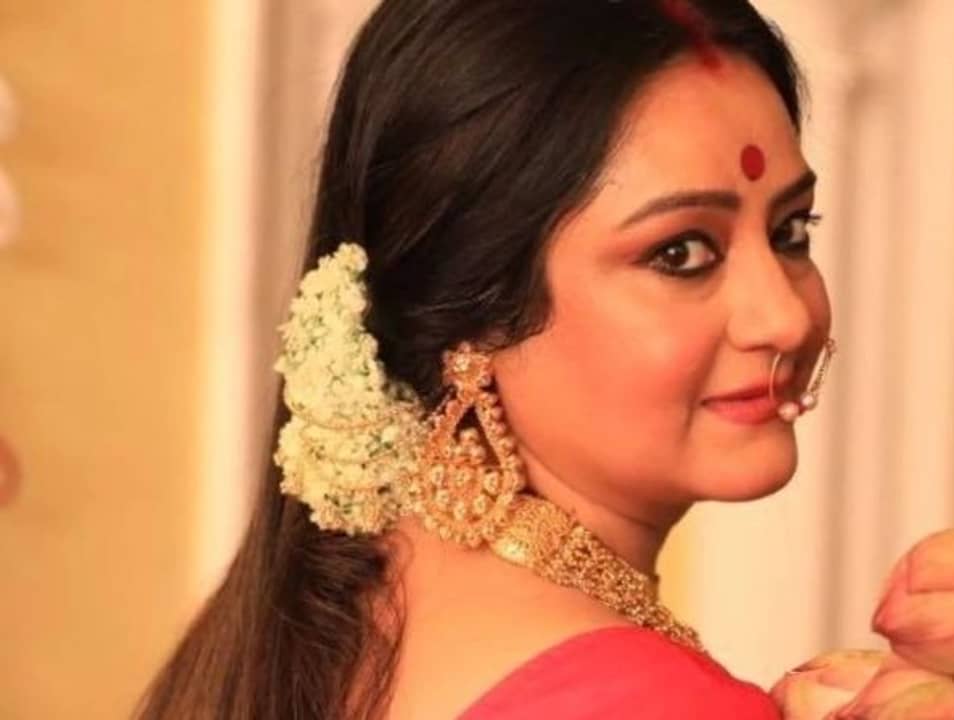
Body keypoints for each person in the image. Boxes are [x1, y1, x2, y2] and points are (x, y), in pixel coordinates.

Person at [135, 0, 835, 717]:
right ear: (476, 308)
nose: (784, 316)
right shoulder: (650, 702)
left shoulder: (307, 629)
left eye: (791, 232)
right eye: (680, 253)